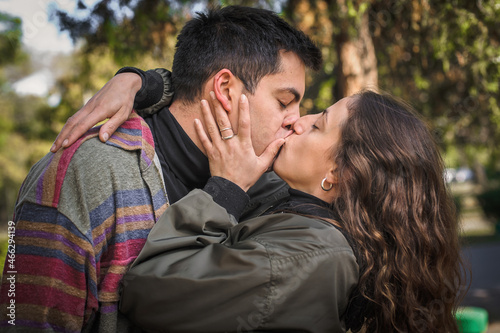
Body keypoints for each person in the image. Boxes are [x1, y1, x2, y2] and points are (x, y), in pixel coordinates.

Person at [0, 6, 322, 332]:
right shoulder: (88, 174)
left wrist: (145, 81)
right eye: (284, 101)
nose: (296, 120)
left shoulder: (267, 190)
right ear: (225, 90)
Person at [119, 90, 465, 332]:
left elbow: (147, 293)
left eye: (317, 125)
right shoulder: (294, 208)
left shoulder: (312, 254)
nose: (298, 121)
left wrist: (225, 190)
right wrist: (143, 84)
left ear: (339, 173)